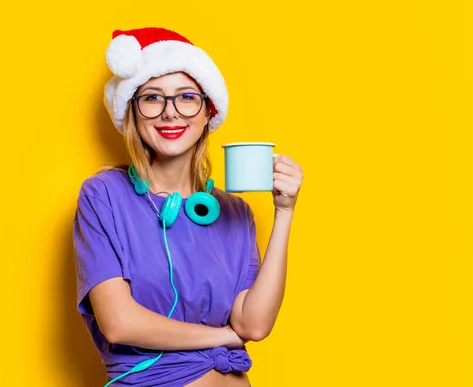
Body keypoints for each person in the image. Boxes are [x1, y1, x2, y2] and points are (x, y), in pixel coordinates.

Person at [72, 27, 303, 387]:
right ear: (132, 111)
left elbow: (254, 325)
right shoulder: (103, 196)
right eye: (152, 98)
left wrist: (285, 211)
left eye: (186, 97)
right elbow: (119, 323)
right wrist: (223, 336)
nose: (170, 113)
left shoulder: (235, 212)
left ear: (207, 110)